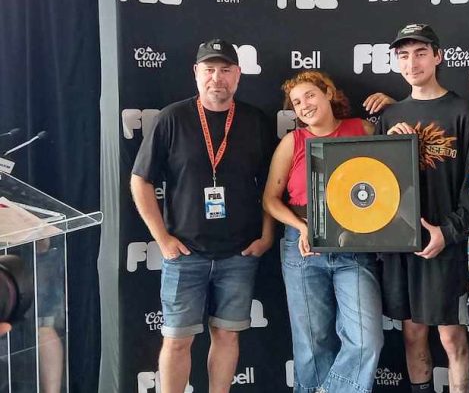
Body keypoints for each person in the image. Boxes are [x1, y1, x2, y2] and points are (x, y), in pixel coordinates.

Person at [130, 39, 274, 393]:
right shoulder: (172, 118)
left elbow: (275, 185)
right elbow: (140, 181)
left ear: (238, 76)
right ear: (196, 74)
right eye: (209, 69)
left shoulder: (255, 121)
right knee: (177, 341)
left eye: (225, 70)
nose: (217, 78)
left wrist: (267, 235)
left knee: (226, 335)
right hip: (184, 254)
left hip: (239, 253)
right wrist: (162, 239)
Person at [263, 70, 391, 393]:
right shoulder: (292, 142)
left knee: (366, 339)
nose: (304, 105)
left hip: (354, 245)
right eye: (296, 102)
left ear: (328, 94)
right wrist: (300, 226)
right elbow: (269, 200)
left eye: (309, 95)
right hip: (303, 245)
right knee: (312, 343)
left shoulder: (361, 129)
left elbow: (394, 163)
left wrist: (395, 108)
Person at [376, 23, 469, 393]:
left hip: (446, 246)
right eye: (403, 55)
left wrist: (449, 232)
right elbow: (375, 188)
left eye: (421, 53)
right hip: (402, 248)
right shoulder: (389, 117)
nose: (412, 62)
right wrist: (386, 148)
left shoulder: (463, 111)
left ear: (438, 56)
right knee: (412, 334)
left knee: (452, 339)